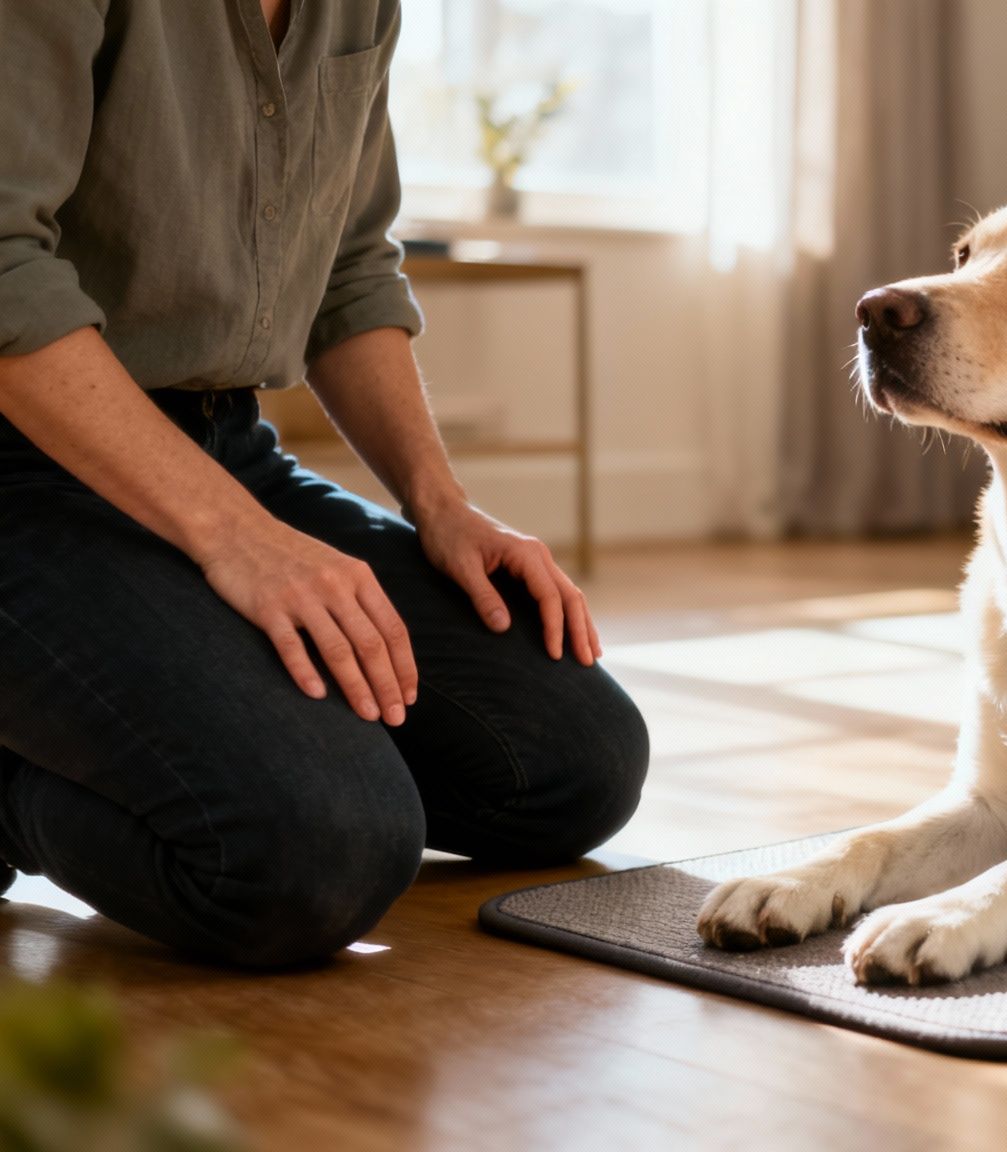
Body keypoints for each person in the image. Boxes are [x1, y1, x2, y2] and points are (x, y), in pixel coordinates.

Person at [0, 1, 649, 966]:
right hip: (25, 467)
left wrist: (440, 503)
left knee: (570, 766)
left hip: (226, 443)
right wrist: (238, 541)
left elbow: (351, 266)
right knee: (313, 852)